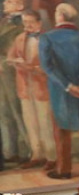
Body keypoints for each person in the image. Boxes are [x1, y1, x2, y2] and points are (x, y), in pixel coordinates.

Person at [39, 3, 79, 179]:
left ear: (60, 16)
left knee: (61, 130)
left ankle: (64, 169)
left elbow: (48, 66)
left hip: (61, 91)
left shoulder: (47, 38)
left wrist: (67, 85)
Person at [7, 10, 56, 169]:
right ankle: (36, 155)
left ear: (39, 23)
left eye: (30, 22)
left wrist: (35, 68)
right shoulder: (19, 38)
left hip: (41, 86)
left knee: (45, 122)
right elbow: (10, 57)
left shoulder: (47, 39)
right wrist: (16, 61)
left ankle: (52, 156)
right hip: (24, 87)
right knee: (31, 123)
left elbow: (52, 64)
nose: (27, 25)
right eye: (25, 22)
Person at [0, 0, 29, 165]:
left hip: (13, 72)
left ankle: (27, 151)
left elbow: (17, 50)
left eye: (9, 2)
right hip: (3, 72)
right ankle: (10, 151)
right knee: (3, 112)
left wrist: (3, 62)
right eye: (5, 1)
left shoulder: (23, 24)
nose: (4, 4)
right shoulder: (4, 21)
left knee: (18, 111)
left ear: (20, 6)